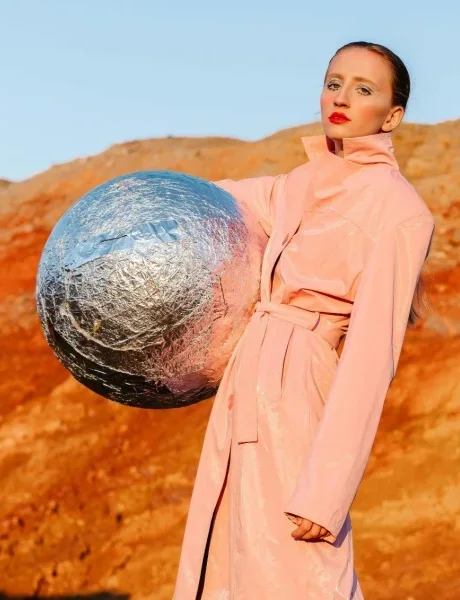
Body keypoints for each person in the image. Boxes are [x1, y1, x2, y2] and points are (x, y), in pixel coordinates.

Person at [172, 41, 435, 599]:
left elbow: (370, 360)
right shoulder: (298, 183)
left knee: (300, 573)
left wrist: (327, 491)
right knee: (232, 558)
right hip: (249, 376)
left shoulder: (400, 211)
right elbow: (214, 203)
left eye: (364, 89)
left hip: (300, 390)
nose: (342, 97)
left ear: (392, 116)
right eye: (334, 81)